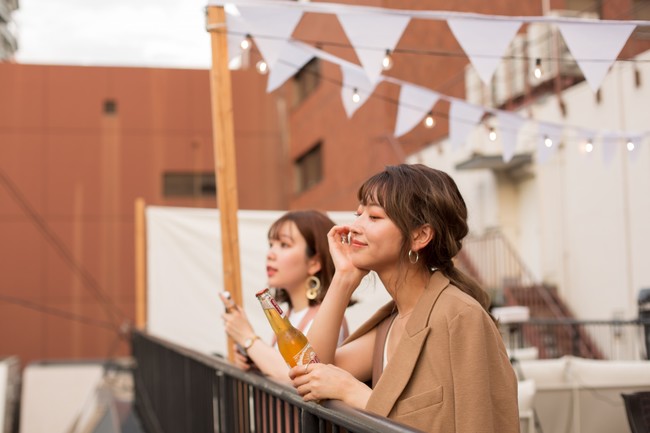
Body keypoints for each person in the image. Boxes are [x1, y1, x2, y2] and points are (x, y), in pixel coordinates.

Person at [288, 164, 520, 433]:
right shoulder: (391, 323)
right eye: (358, 214)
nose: (355, 227)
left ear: (420, 236)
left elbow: (480, 424)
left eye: (374, 217)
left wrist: (353, 392)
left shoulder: (460, 316)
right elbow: (308, 370)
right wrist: (343, 279)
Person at [221, 209, 351, 383]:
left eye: (284, 245)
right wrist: (256, 360)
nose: (270, 254)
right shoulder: (288, 315)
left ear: (314, 263)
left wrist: (249, 339)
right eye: (271, 245)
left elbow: (302, 376)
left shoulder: (325, 319)